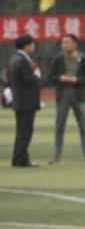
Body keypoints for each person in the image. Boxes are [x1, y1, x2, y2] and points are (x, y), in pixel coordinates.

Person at [47, 34, 85, 164]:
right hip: (63, 96)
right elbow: (50, 77)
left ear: (75, 44)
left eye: (67, 43)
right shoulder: (58, 59)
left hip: (79, 97)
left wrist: (76, 80)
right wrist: (60, 78)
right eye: (63, 43)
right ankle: (57, 155)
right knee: (59, 127)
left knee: (83, 127)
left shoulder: (83, 59)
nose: (64, 46)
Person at [9, 34, 42, 167]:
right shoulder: (22, 60)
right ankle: (22, 160)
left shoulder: (15, 58)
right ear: (27, 45)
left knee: (21, 132)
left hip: (20, 101)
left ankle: (17, 159)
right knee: (25, 132)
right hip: (26, 102)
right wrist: (37, 74)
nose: (33, 46)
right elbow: (28, 79)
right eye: (32, 44)